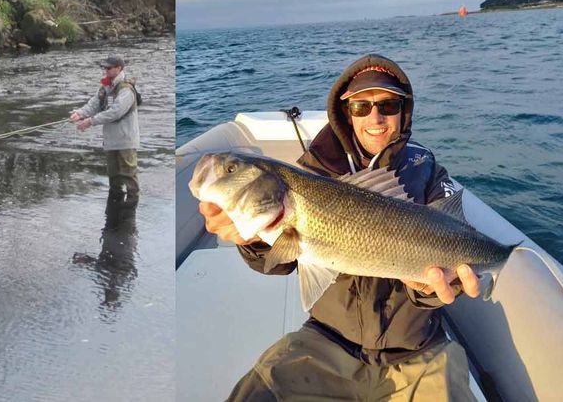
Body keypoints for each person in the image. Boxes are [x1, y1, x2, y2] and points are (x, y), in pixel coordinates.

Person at [200, 54, 481, 401]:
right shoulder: (312, 170)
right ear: (346, 113)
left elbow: (450, 244)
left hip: (418, 347)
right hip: (326, 340)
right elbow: (279, 261)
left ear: (404, 111)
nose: (375, 117)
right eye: (361, 107)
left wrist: (428, 288)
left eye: (388, 104)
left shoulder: (427, 173)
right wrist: (252, 239)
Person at [70, 55, 141, 214]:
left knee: (129, 173)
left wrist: (90, 121)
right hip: (110, 140)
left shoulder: (126, 90)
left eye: (109, 68)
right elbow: (94, 104)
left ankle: (131, 205)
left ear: (119, 68)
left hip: (126, 140)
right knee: (113, 174)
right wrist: (79, 113)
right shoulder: (105, 87)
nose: (106, 70)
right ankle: (115, 202)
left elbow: (115, 112)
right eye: (105, 68)